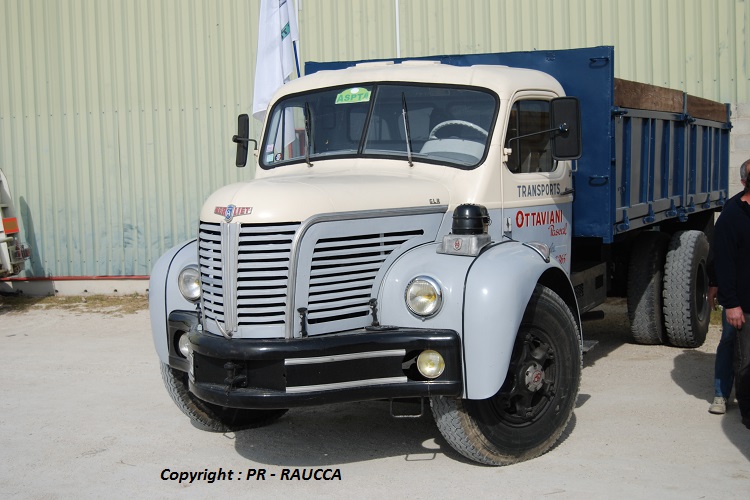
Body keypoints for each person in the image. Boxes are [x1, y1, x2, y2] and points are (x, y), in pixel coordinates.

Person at [713, 159, 750, 429]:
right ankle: (723, 394)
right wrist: (730, 303)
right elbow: (722, 260)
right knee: (735, 348)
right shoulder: (732, 214)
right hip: (740, 300)